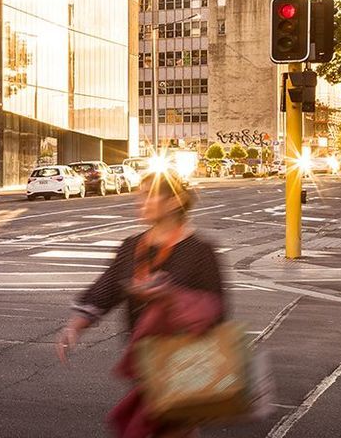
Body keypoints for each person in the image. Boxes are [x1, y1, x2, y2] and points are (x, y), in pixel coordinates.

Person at [57, 174, 226, 438]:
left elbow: (218, 310)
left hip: (183, 363)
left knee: (174, 429)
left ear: (174, 202)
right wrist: (76, 326)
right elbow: (107, 287)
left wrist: (171, 296)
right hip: (144, 363)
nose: (140, 201)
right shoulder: (132, 246)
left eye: (149, 194)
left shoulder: (200, 251)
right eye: (140, 194)